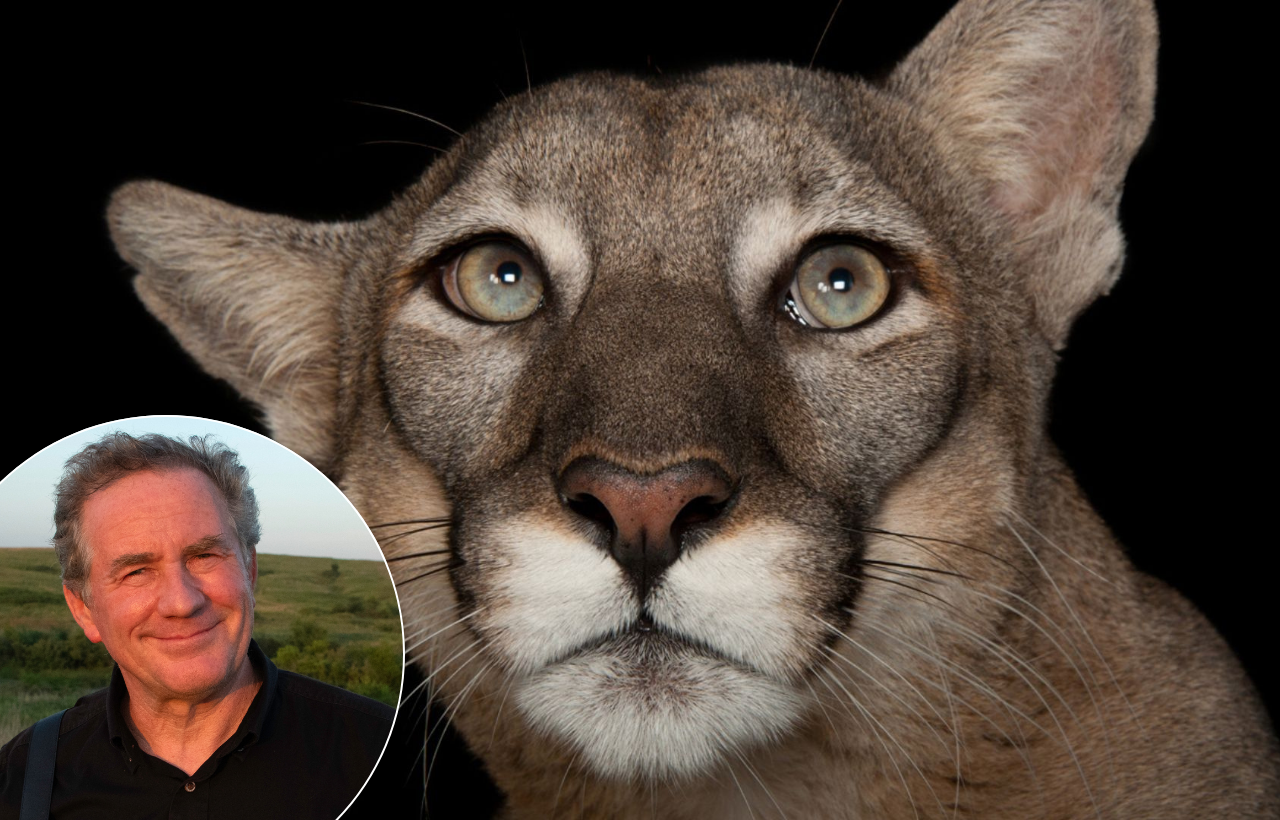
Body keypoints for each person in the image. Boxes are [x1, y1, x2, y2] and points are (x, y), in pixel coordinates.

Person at [0, 433, 395, 819]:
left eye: (205, 556)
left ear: (250, 570)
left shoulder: (388, 754)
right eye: (136, 571)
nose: (182, 602)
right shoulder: (21, 781)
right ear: (83, 608)